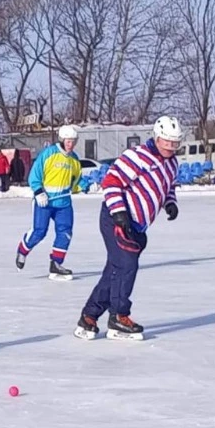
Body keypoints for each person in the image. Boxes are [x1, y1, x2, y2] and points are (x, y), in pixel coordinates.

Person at [74, 115, 182, 341]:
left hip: (137, 225)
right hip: (115, 217)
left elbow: (167, 186)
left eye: (175, 143)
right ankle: (119, 317)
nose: (171, 147)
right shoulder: (137, 156)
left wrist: (170, 203)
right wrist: (119, 212)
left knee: (114, 270)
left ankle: (89, 317)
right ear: (157, 137)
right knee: (126, 265)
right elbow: (111, 182)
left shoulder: (172, 163)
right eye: (167, 142)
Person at [15, 125, 81, 280]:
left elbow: (75, 181)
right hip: (44, 201)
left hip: (63, 203)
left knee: (65, 232)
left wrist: (84, 185)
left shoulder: (74, 160)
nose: (71, 144)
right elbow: (34, 175)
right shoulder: (49, 154)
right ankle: (22, 251)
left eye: (73, 141)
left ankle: (56, 264)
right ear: (62, 140)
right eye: (68, 141)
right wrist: (38, 192)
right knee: (40, 232)